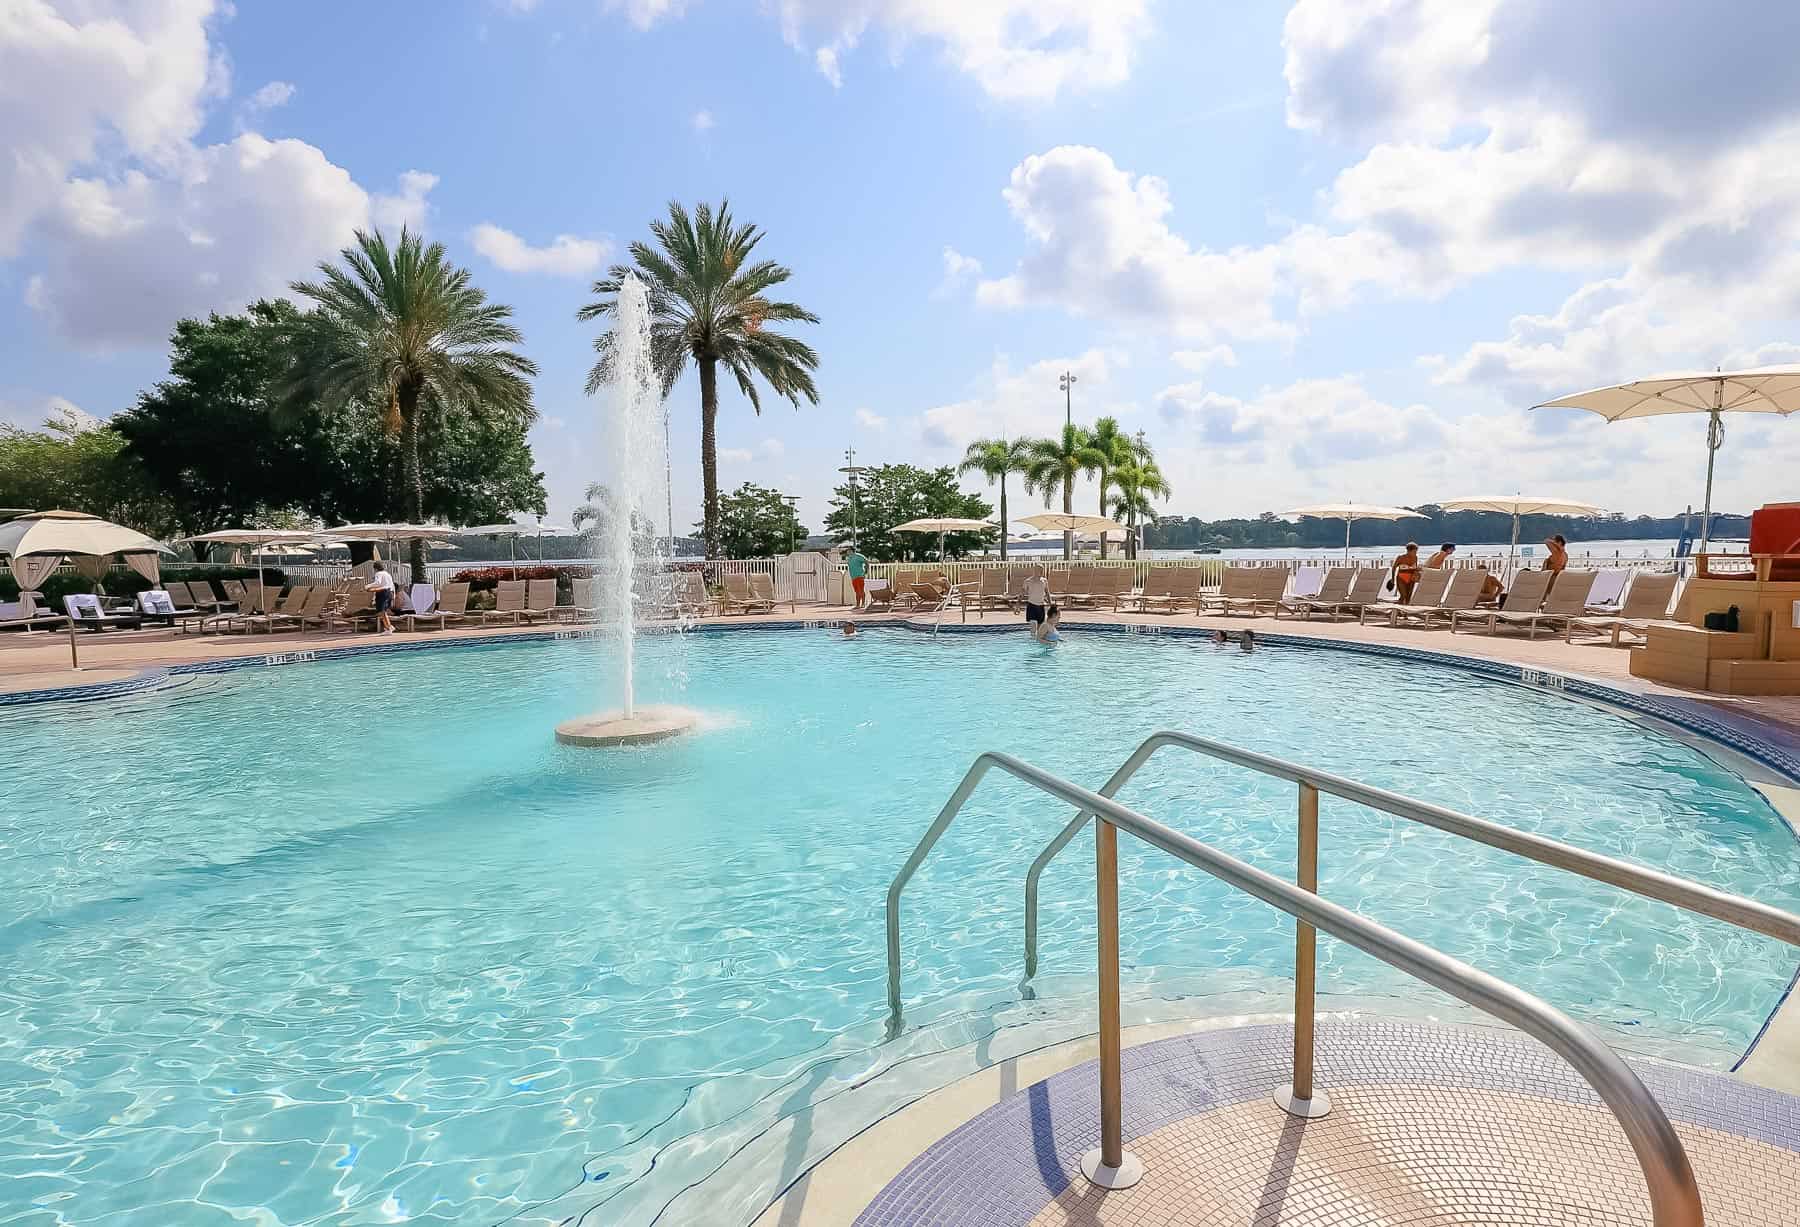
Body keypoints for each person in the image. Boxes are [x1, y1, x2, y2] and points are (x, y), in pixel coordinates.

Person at [1021, 566, 1054, 639]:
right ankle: (1033, 643)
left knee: (1040, 628)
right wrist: (1017, 606)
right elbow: (1022, 594)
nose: (1042, 572)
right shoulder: (1028, 581)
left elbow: (1047, 593)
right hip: (1031, 606)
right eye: (1040, 570)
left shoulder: (1044, 581)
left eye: (1042, 570)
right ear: (1035, 570)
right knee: (1033, 627)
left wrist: (1051, 604)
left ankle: (1039, 643)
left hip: (1041, 606)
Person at [365, 562, 396, 635]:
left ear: (375, 568)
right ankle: (389, 626)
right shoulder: (387, 574)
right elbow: (392, 585)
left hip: (382, 593)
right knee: (383, 611)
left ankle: (388, 628)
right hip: (389, 592)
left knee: (382, 611)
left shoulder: (378, 574)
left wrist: (368, 586)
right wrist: (393, 595)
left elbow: (377, 583)